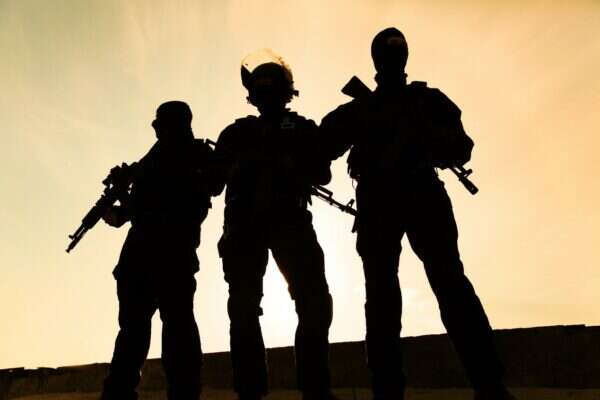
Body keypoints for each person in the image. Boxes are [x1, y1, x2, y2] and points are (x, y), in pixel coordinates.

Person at [319, 28, 516, 400]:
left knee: (447, 286)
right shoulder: (364, 107)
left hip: (418, 194)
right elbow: (321, 148)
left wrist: (426, 136)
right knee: (388, 296)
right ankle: (394, 389)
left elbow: (461, 147)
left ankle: (488, 384)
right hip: (384, 200)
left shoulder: (426, 101)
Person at [212, 49, 334, 400]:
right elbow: (213, 180)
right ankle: (275, 391)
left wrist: (289, 163)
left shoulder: (296, 129)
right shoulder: (237, 134)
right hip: (250, 227)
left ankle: (310, 389)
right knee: (247, 309)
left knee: (307, 303)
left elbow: (321, 172)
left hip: (283, 222)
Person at [100, 101, 217, 400]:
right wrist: (114, 202)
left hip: (172, 254)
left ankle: (182, 392)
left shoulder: (196, 155)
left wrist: (126, 197)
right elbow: (124, 216)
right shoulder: (149, 163)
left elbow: (192, 200)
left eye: (159, 124)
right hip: (140, 259)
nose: (155, 130)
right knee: (134, 332)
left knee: (176, 328)